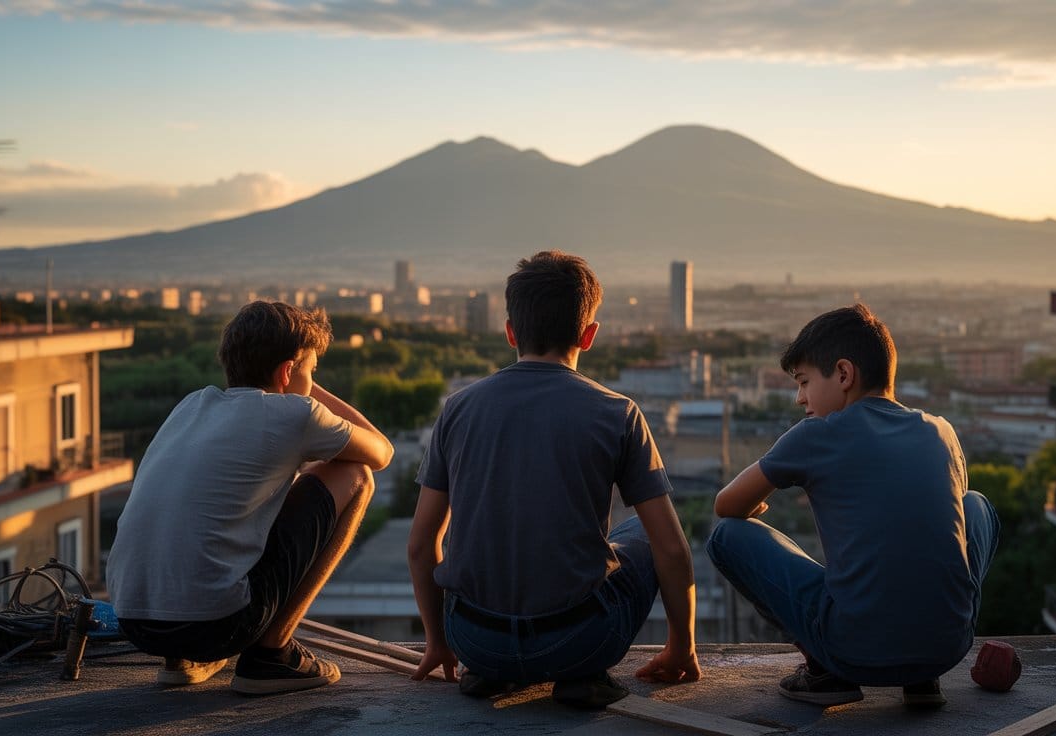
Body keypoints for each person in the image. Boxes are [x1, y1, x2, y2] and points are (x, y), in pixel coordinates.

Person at [407, 250, 701, 709]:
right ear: (589, 335)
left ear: (510, 333)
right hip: (581, 639)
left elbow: (422, 545)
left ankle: (492, 672)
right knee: (643, 533)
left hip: (474, 639)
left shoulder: (458, 409)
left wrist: (438, 642)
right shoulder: (617, 412)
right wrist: (683, 647)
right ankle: (582, 677)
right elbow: (672, 549)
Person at [706, 304, 998, 709]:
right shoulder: (942, 431)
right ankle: (921, 677)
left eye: (804, 381)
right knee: (976, 505)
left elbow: (727, 506)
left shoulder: (816, 434)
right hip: (947, 648)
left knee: (726, 537)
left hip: (855, 649)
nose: (799, 398)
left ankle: (825, 671)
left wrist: (753, 508)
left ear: (843, 374)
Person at [106, 301, 393, 695]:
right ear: (287, 371)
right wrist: (304, 389)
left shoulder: (191, 405)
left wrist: (295, 373)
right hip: (216, 625)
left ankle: (184, 660)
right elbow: (381, 452)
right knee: (355, 475)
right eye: (310, 371)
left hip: (135, 623)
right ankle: (271, 656)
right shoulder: (296, 414)